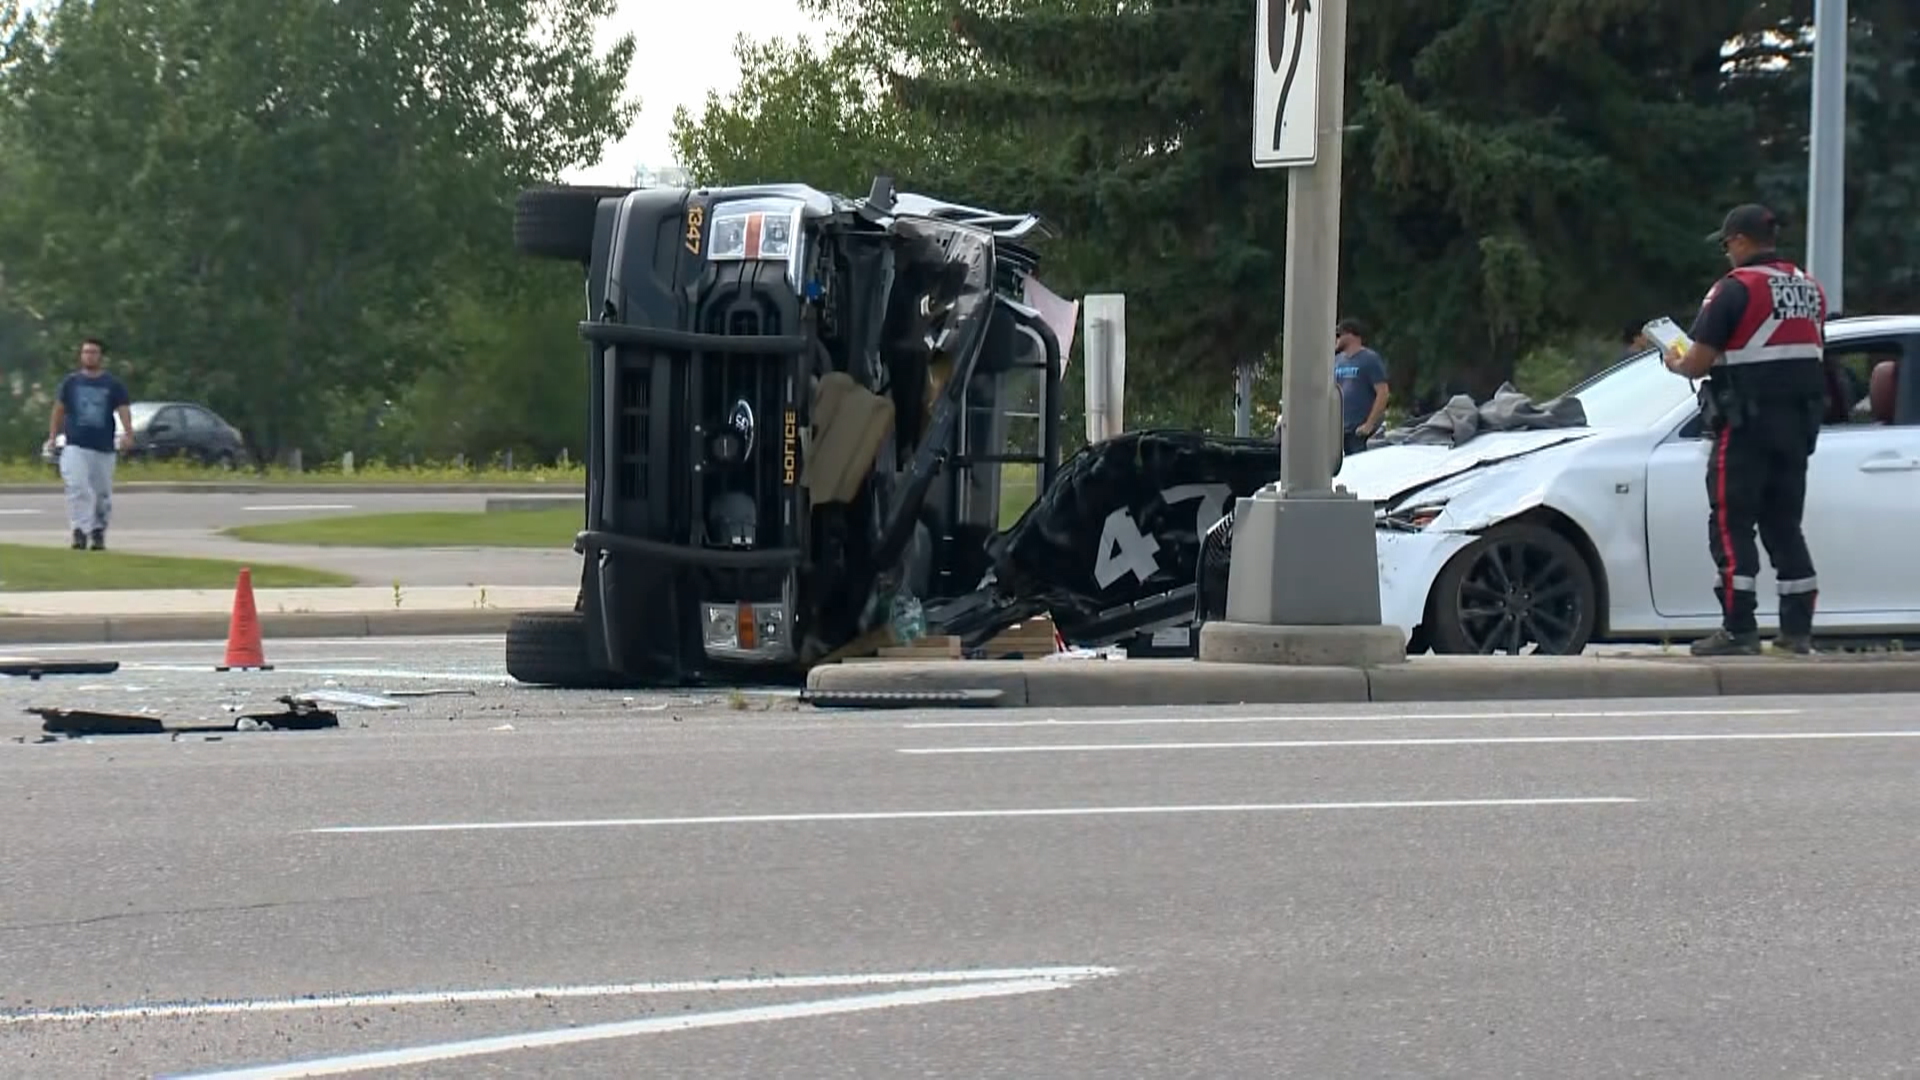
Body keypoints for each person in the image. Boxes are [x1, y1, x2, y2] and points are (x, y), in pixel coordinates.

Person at [1665, 204, 1829, 657]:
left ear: (1740, 240)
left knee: (1731, 523)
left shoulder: (1733, 289)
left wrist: (1675, 361)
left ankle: (1739, 630)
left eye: (1726, 244)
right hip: (1797, 428)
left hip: (1745, 428)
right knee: (1784, 525)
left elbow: (1697, 362)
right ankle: (1797, 632)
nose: (1726, 253)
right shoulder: (1810, 288)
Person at [44, 336, 133, 550]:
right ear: (81, 356)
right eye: (86, 352)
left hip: (103, 447)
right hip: (76, 444)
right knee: (77, 487)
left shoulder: (112, 384)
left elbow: (123, 409)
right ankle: (79, 531)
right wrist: (53, 436)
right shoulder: (71, 383)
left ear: (101, 356)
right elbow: (59, 409)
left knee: (101, 493)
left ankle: (98, 530)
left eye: (93, 352)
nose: (89, 356)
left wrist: (128, 433)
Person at [1334, 317, 1389, 455]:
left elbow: (1382, 392)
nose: (1335, 339)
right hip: (1339, 431)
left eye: (1338, 335)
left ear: (1351, 334)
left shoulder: (1370, 359)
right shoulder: (1337, 361)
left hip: (1360, 432)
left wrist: (1369, 424)